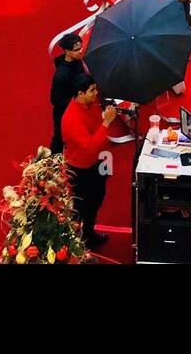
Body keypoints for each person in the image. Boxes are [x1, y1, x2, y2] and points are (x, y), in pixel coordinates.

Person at [61, 73, 116, 249]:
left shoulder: (89, 104)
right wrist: (107, 123)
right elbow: (90, 147)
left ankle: (89, 234)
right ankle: (74, 244)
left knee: (97, 199)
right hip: (81, 170)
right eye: (92, 90)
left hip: (99, 161)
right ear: (80, 93)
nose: (96, 92)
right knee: (81, 207)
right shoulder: (71, 119)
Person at [49, 31, 87, 153]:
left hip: (78, 106)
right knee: (60, 140)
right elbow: (55, 99)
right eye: (76, 50)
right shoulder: (61, 75)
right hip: (64, 112)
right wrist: (76, 100)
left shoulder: (77, 62)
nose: (80, 51)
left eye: (81, 47)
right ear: (67, 52)